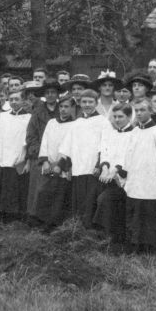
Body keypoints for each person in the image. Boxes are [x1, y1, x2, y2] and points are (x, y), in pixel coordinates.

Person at [120, 99, 156, 252]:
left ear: (150, 111)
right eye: (137, 111)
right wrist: (126, 172)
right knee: (136, 211)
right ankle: (136, 244)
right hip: (136, 178)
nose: (139, 113)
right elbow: (128, 154)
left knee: (151, 211)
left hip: (152, 178)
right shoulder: (135, 132)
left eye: (143, 110)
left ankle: (153, 246)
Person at [58, 89, 108, 226]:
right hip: (78, 168)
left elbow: (105, 145)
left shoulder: (103, 121)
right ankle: (78, 227)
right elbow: (68, 146)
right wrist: (67, 166)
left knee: (91, 199)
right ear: (79, 103)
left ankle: (91, 229)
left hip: (93, 168)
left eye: (90, 102)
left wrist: (99, 165)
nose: (87, 105)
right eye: (84, 102)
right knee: (79, 199)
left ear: (96, 103)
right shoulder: (77, 123)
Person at [32, 95, 77, 231]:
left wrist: (60, 165)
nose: (63, 110)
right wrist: (45, 161)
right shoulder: (52, 122)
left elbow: (71, 146)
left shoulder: (74, 125)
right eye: (61, 107)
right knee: (44, 191)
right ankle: (41, 221)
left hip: (62, 166)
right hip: (49, 164)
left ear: (73, 108)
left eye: (66, 107)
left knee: (59, 194)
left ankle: (54, 225)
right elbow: (44, 142)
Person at [0, 90, 31, 220]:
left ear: (22, 100)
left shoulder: (28, 117)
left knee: (14, 188)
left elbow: (27, 140)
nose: (14, 102)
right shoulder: (4, 116)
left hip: (18, 156)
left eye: (17, 99)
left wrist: (25, 159)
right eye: (11, 99)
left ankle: (14, 217)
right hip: (2, 155)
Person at [93, 103, 133, 242]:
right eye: (114, 116)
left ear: (129, 117)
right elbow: (105, 153)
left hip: (126, 178)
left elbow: (128, 157)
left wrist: (115, 171)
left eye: (120, 116)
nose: (117, 119)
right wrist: (104, 168)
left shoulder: (134, 134)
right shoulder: (113, 133)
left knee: (106, 199)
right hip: (110, 176)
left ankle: (113, 236)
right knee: (100, 197)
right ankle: (105, 233)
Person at [24, 79, 61, 218]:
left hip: (59, 155)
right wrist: (41, 154)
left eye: (53, 92)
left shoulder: (62, 109)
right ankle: (35, 217)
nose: (51, 95)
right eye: (48, 92)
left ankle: (54, 218)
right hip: (40, 155)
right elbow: (31, 136)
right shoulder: (38, 112)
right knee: (38, 188)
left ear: (58, 94)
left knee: (57, 188)